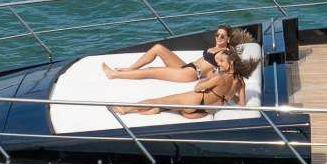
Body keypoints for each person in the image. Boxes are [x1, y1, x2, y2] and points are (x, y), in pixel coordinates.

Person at [120, 48, 257, 118]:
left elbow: (198, 88)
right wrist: (228, 95)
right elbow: (242, 103)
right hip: (203, 111)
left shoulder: (219, 77)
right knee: (178, 105)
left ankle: (125, 109)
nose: (219, 64)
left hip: (196, 102)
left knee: (160, 100)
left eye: (221, 61)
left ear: (231, 63)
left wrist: (207, 79)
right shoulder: (240, 81)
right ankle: (160, 109)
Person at [103, 26, 253, 82]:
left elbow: (226, 69)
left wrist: (211, 77)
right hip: (186, 67)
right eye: (217, 35)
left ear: (228, 39)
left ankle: (114, 75)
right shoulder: (214, 47)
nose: (218, 38)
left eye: (222, 36)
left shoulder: (224, 53)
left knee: (150, 71)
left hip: (191, 74)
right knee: (158, 47)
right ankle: (130, 69)